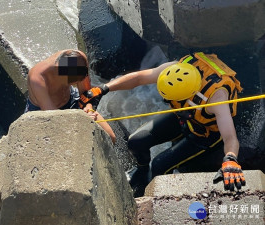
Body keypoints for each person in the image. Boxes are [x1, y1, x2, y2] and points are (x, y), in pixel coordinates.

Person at [79, 52, 246, 197]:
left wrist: (230, 159)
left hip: (206, 132)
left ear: (188, 94)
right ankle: (142, 171)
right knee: (136, 142)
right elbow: (139, 78)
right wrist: (104, 88)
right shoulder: (176, 68)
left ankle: (160, 195)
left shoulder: (216, 99)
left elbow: (230, 137)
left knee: (160, 165)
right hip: (183, 116)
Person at [25, 49, 116, 143]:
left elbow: (86, 94)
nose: (76, 84)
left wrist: (89, 110)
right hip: (44, 111)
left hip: (72, 99)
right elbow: (53, 116)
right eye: (72, 83)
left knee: (110, 137)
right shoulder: (38, 78)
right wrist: (81, 119)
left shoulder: (78, 59)